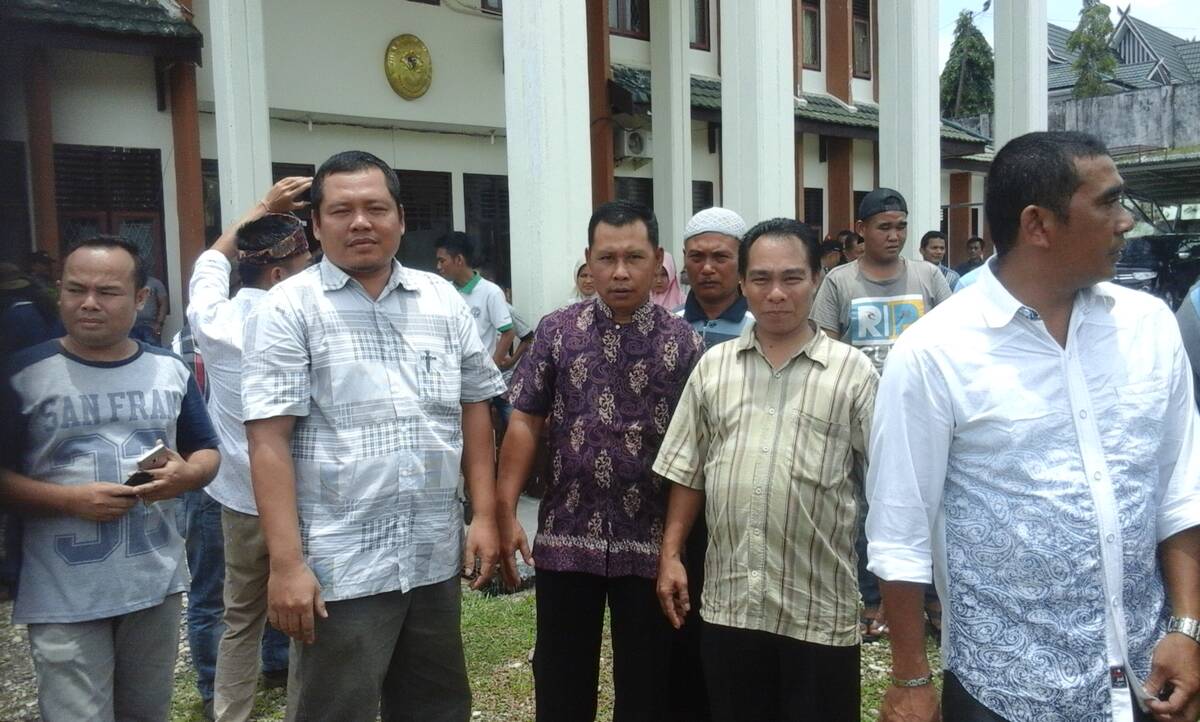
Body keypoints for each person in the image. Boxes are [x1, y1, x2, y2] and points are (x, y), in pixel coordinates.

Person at [868, 131, 1200, 722]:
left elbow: (1180, 489)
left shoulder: (1148, 327)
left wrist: (1186, 626)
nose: (1125, 221)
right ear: (1038, 224)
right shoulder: (935, 352)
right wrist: (911, 678)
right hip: (1004, 689)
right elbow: (901, 529)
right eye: (1108, 202)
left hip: (1146, 678)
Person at [241, 151, 506, 721]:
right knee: (335, 711)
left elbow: (475, 410)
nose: (360, 222)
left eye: (375, 208)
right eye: (341, 211)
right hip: (340, 567)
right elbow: (267, 443)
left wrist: (484, 515)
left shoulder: (442, 300)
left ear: (401, 219)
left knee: (437, 708)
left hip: (432, 553)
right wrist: (286, 565)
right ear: (316, 225)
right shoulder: (288, 308)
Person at [655, 218, 878, 722]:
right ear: (743, 283)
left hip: (818, 608)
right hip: (732, 604)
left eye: (791, 278)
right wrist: (671, 555)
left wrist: (889, 585)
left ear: (817, 279)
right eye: (761, 279)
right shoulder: (714, 368)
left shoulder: (853, 374)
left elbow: (885, 487)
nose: (776, 293)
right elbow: (688, 470)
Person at [496, 200, 704, 722]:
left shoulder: (685, 344)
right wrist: (504, 510)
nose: (620, 272)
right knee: (561, 678)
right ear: (588, 260)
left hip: (649, 541)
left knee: (648, 684)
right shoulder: (556, 331)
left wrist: (675, 547)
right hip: (566, 535)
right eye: (607, 258)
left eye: (634, 258)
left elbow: (693, 452)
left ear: (658, 262)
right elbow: (525, 420)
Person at [0, 235, 220, 722]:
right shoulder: (22, 374)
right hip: (62, 589)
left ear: (141, 298)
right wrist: (67, 501)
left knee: (147, 712)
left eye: (107, 292)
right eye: (75, 289)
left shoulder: (168, 369)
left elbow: (207, 449)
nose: (89, 303)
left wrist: (187, 476)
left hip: (154, 582)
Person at [186, 178, 312, 721]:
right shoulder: (305, 327)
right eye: (306, 263)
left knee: (240, 617)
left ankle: (228, 713)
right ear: (279, 275)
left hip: (238, 496)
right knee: (311, 614)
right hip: (301, 499)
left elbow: (210, 260)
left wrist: (262, 207)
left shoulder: (212, 319)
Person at [812, 188, 952, 642]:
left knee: (929, 508)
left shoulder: (929, 277)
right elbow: (827, 350)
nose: (894, 236)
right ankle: (875, 601)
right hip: (863, 420)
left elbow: (952, 343)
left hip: (922, 417)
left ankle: (932, 599)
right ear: (862, 229)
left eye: (901, 226)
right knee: (868, 512)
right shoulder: (839, 283)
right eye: (884, 227)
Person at [436, 231, 515, 370]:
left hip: (480, 377)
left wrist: (492, 367)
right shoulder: (443, 290)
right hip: (451, 374)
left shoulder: (491, 292)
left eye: (442, 261)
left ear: (459, 260)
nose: (438, 266)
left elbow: (508, 333)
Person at [132, 271, 169, 346]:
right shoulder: (130, 283)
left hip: (150, 326)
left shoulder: (156, 283)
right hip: (132, 326)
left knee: (155, 352)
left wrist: (159, 323)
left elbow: (164, 303)